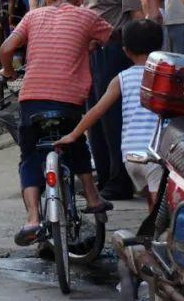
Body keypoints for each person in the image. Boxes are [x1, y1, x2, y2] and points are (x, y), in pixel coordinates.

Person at [0, 0, 113, 245]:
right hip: (69, 101)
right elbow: (111, 37)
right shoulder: (86, 16)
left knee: (29, 157)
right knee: (75, 145)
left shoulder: (33, 16)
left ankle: (33, 219)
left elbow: (6, 47)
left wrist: (8, 70)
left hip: (32, 99)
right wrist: (91, 43)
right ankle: (93, 196)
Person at [56, 19, 162, 212]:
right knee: (160, 202)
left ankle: (152, 234)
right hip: (155, 153)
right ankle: (161, 236)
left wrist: (73, 134)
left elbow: (96, 110)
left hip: (130, 157)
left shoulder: (121, 78)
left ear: (125, 51)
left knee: (150, 197)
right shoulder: (164, 75)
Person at [79, 0, 142, 200]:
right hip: (91, 52)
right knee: (94, 115)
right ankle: (104, 177)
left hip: (113, 50)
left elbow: (134, 16)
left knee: (112, 116)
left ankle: (120, 180)